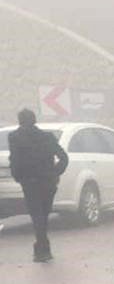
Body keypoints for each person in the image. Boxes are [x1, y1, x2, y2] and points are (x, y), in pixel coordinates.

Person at [7, 108, 69, 262]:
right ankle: (43, 247)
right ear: (34, 120)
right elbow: (64, 158)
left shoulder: (15, 137)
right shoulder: (47, 137)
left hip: (30, 182)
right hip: (48, 182)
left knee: (37, 215)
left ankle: (42, 249)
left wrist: (18, 177)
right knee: (44, 214)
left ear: (20, 120)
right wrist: (55, 173)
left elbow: (14, 160)